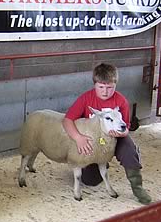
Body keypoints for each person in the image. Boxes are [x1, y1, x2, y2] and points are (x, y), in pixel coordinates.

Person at [62, 63, 152, 205]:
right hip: (95, 140)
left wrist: (121, 134)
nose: (105, 92)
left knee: (129, 150)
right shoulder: (86, 98)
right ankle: (100, 163)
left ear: (115, 84)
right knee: (90, 181)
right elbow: (68, 120)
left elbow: (126, 127)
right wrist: (78, 138)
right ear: (95, 85)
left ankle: (137, 187)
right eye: (101, 87)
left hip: (116, 137)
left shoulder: (121, 101)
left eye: (109, 87)